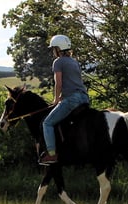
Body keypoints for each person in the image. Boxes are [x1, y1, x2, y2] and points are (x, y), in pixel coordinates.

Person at [39, 34, 90, 165]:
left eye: (54, 48)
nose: (53, 51)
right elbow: (75, 82)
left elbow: (59, 83)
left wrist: (56, 99)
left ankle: (52, 154)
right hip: (84, 98)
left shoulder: (58, 62)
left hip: (72, 99)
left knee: (47, 123)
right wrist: (64, 96)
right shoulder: (74, 61)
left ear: (58, 49)